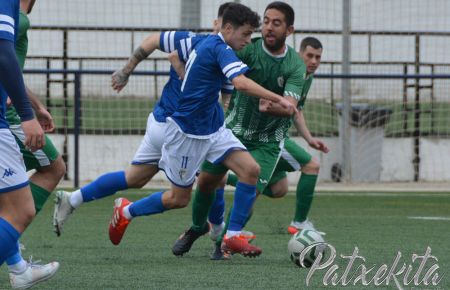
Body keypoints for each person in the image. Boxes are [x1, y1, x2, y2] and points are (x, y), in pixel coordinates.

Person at [108, 3, 295, 258]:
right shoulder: (218, 48)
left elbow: (218, 83)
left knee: (250, 170)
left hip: (214, 128)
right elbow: (240, 83)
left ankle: (231, 236)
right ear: (228, 29)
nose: (249, 40)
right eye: (246, 34)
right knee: (179, 199)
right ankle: (126, 212)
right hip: (188, 133)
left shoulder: (212, 44)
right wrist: (279, 98)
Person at [52, 3, 235, 236]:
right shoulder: (208, 47)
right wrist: (126, 71)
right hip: (182, 131)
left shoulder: (188, 41)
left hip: (160, 123)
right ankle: (220, 235)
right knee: (202, 186)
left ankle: (72, 198)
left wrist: (126, 71)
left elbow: (152, 41)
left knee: (135, 177)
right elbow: (155, 43)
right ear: (218, 24)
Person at [171, 1, 318, 259]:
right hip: (233, 129)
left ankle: (225, 242)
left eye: (277, 23)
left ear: (290, 30)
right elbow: (226, 72)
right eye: (267, 21)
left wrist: (271, 106)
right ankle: (196, 229)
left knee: (253, 190)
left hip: (268, 141)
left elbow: (290, 108)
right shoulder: (247, 49)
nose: (269, 27)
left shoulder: (295, 65)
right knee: (206, 182)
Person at [0, 0, 59, 288]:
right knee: (20, 209)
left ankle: (18, 265)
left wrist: (34, 107)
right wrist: (27, 113)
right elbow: (3, 53)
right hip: (7, 117)